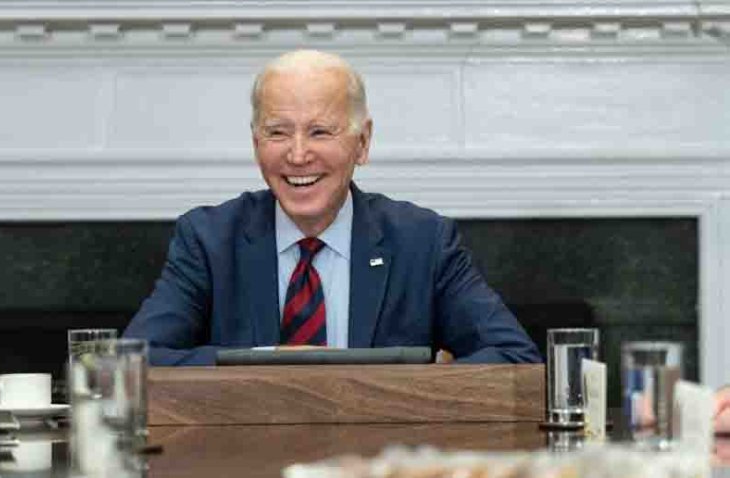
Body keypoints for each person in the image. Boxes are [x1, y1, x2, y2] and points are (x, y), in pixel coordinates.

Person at [123, 49, 541, 366]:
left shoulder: (423, 241)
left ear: (362, 143)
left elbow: (516, 357)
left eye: (320, 131)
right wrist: (263, 364)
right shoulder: (209, 239)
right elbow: (129, 362)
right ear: (256, 144)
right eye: (277, 132)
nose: (298, 154)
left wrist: (421, 387)